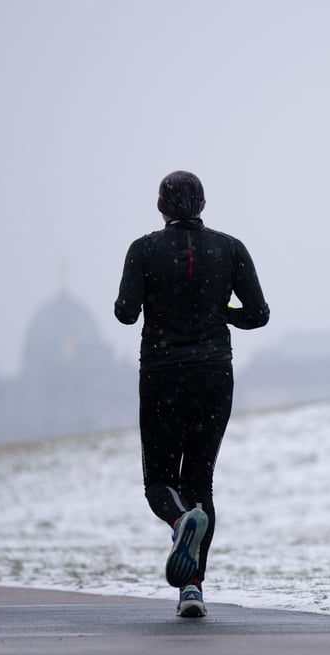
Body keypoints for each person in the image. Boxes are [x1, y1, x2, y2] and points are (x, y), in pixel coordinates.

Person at [115, 170, 269, 617]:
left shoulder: (143, 249)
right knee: (200, 481)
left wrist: (152, 301)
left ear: (160, 206)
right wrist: (219, 310)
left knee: (160, 483)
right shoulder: (230, 248)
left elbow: (126, 313)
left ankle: (181, 520)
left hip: (163, 374)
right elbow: (258, 314)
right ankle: (192, 589)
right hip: (214, 374)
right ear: (202, 205)